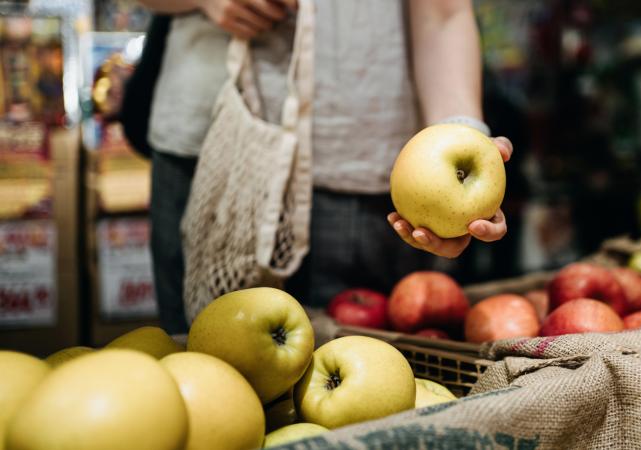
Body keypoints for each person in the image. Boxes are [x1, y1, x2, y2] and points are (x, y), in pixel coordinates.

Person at [136, 0, 513, 334]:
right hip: (212, 161)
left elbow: (442, 14)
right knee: (208, 379)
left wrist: (463, 134)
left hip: (366, 170)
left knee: (372, 394)